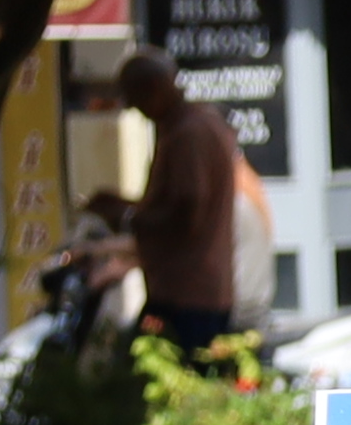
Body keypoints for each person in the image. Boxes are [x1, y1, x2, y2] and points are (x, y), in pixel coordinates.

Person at [112, 42, 270, 354]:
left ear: (155, 89)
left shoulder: (189, 133)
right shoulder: (198, 123)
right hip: (194, 290)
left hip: (187, 293)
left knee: (147, 375)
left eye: (136, 99)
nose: (136, 110)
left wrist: (130, 219)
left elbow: (188, 211)